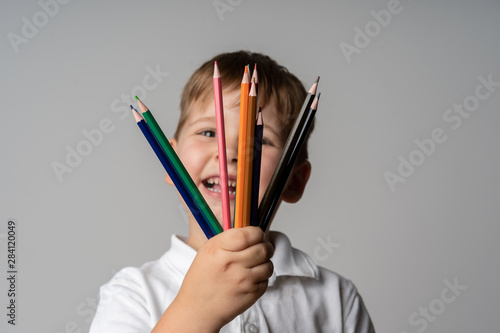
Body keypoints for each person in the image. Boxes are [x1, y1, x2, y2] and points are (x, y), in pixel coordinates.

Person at [90, 50, 375, 332]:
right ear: (170, 161)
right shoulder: (132, 294)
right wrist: (197, 311)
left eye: (259, 140)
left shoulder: (336, 298)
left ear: (295, 181)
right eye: (209, 133)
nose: (229, 154)